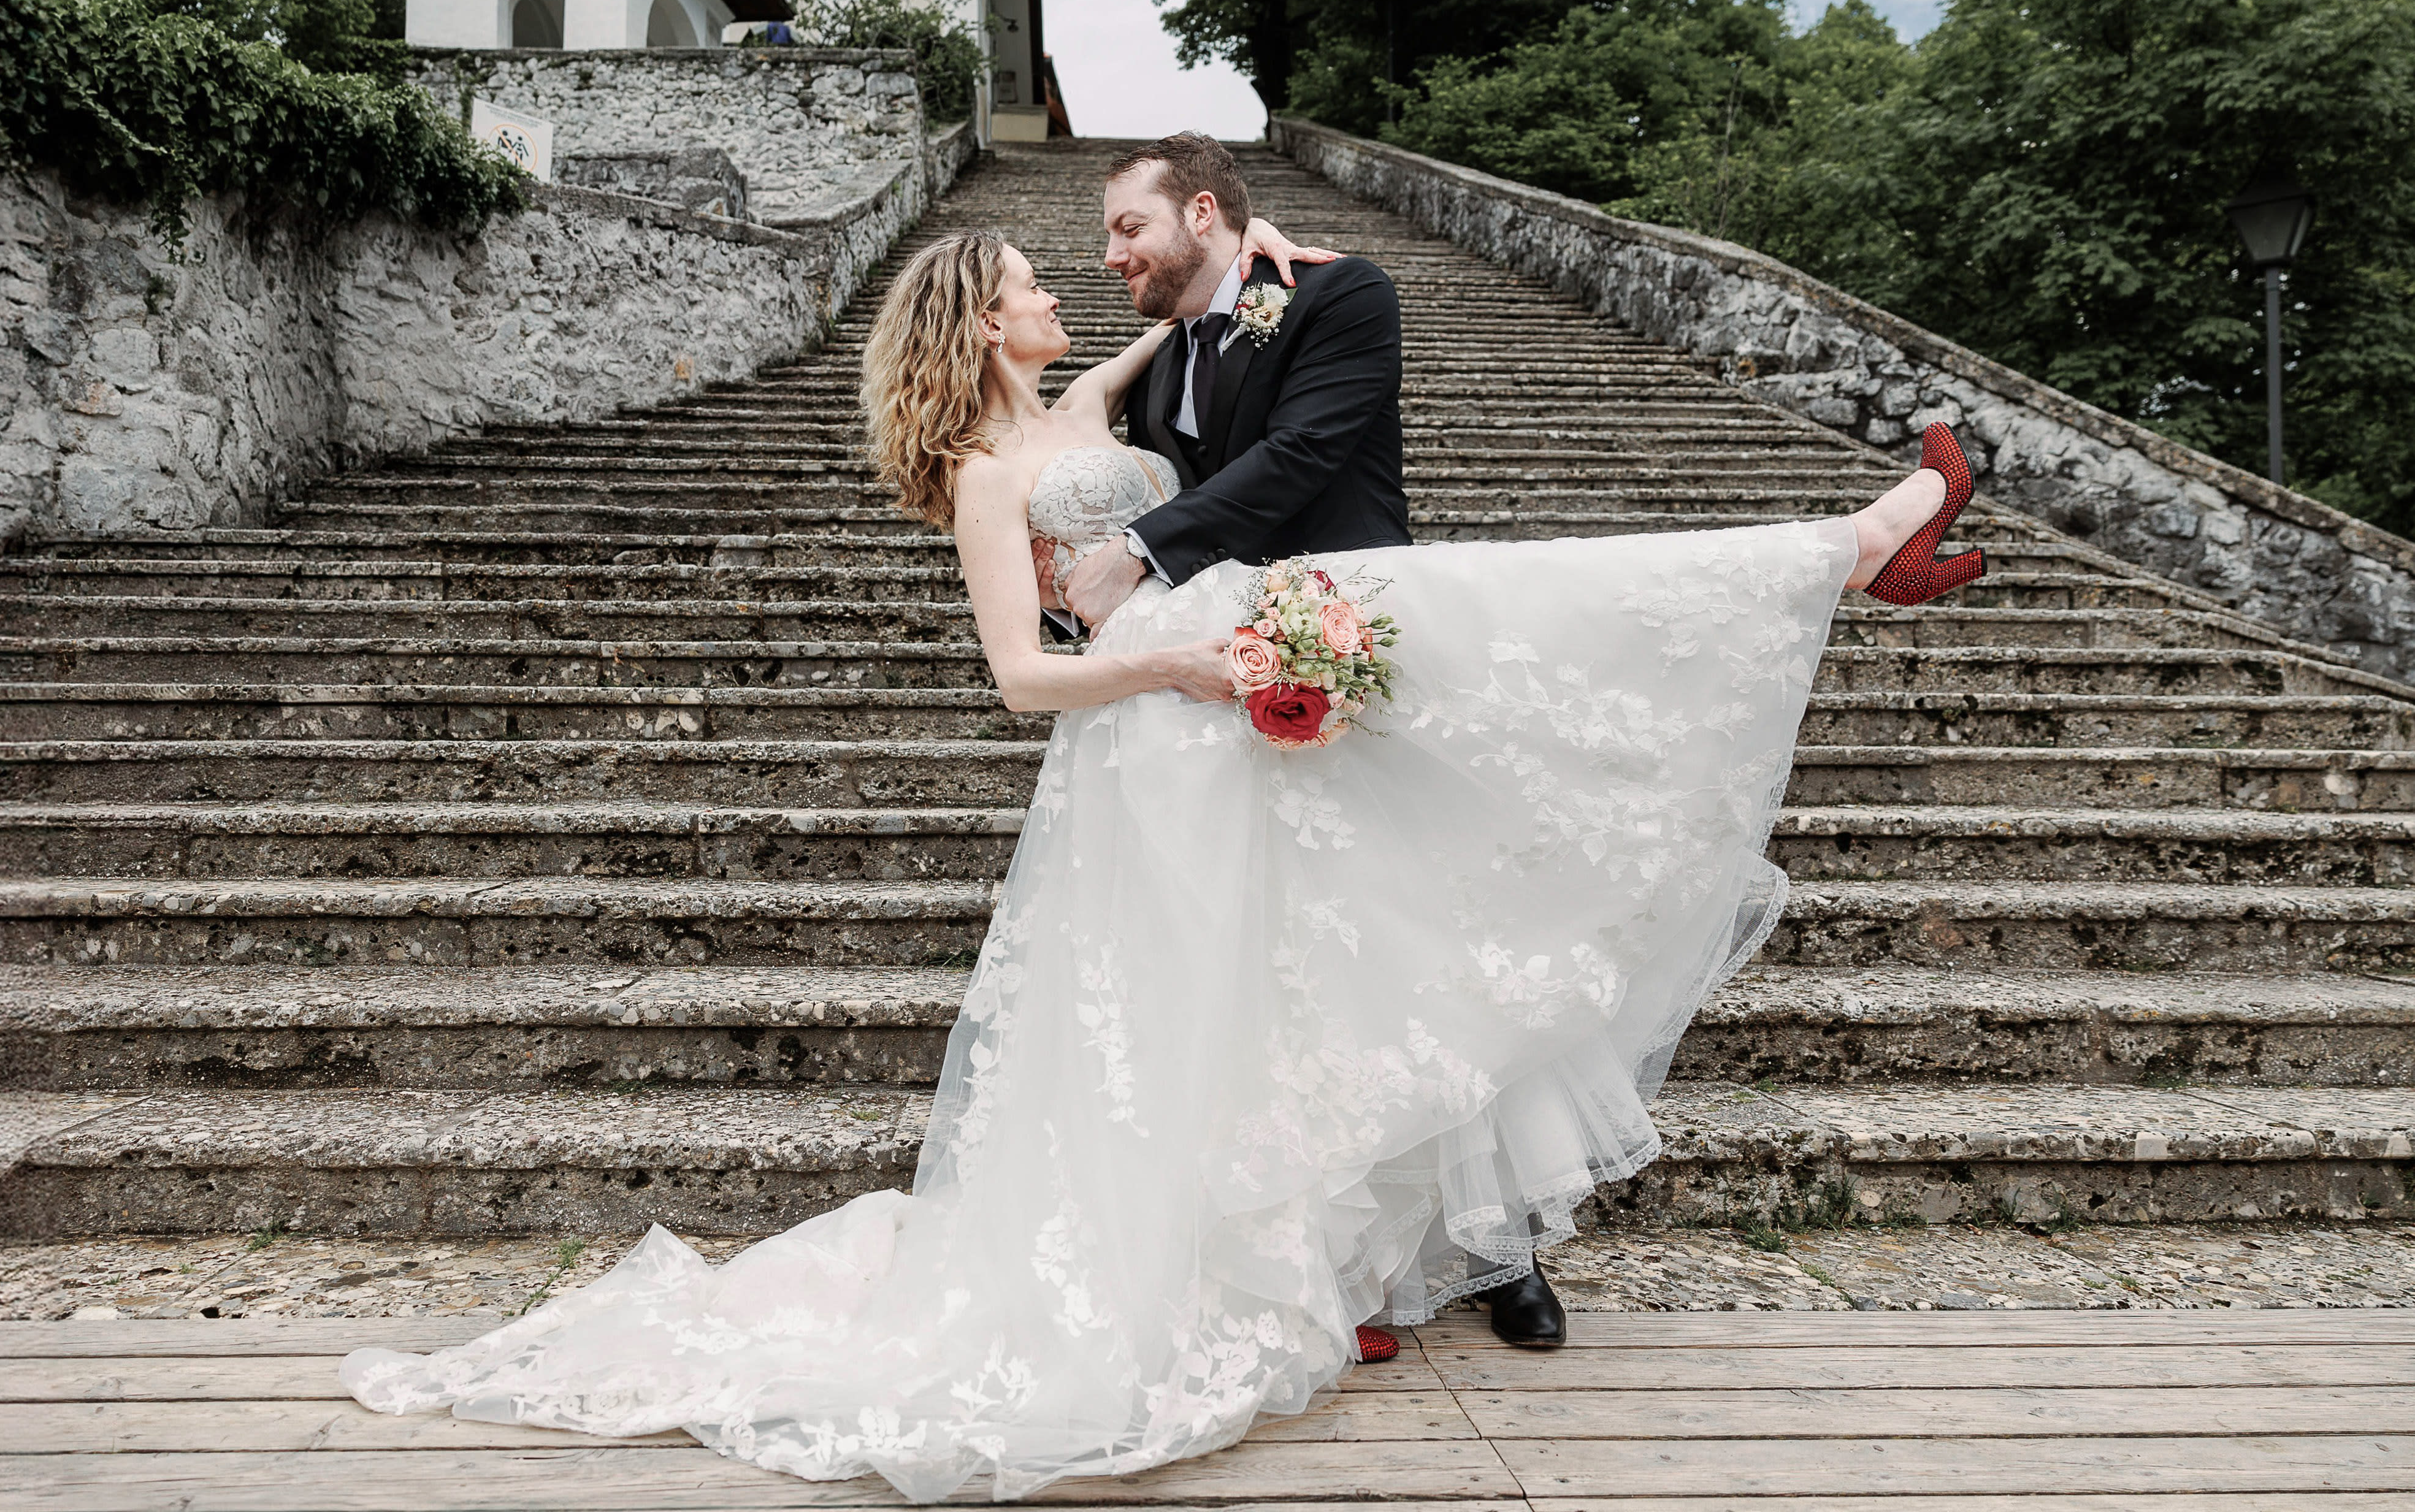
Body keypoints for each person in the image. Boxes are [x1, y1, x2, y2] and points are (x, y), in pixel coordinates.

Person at [342, 156, 1984, 1506]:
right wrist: (1175, 656)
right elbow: (1014, 674)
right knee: (1314, 859)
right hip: (1154, 729)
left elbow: (1241, 368)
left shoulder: (1097, 401)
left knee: (1310, 949)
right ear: (983, 319)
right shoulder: (995, 471)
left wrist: (1256, 260)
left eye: (1111, 242)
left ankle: (1843, 552)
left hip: (1229, 715)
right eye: (1040, 282)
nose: (1079, 281)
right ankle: (1846, 543)